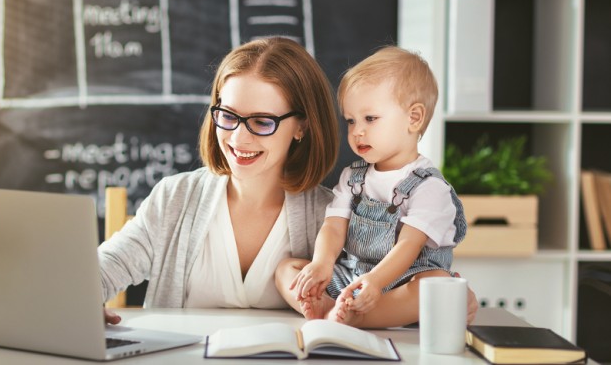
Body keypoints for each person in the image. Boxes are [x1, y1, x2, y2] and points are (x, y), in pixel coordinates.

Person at [100, 37, 340, 324]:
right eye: (227, 116)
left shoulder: (333, 218)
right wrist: (82, 297)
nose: (238, 138)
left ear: (302, 126)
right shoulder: (175, 197)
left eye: (262, 122)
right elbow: (107, 266)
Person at [275, 45, 469, 328]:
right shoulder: (353, 177)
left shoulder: (430, 188)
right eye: (351, 121)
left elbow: (408, 246)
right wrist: (322, 264)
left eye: (370, 119)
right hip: (353, 276)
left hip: (400, 282)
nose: (357, 132)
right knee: (286, 269)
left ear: (413, 118)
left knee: (437, 284)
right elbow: (333, 226)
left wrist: (375, 283)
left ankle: (356, 317)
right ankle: (330, 306)